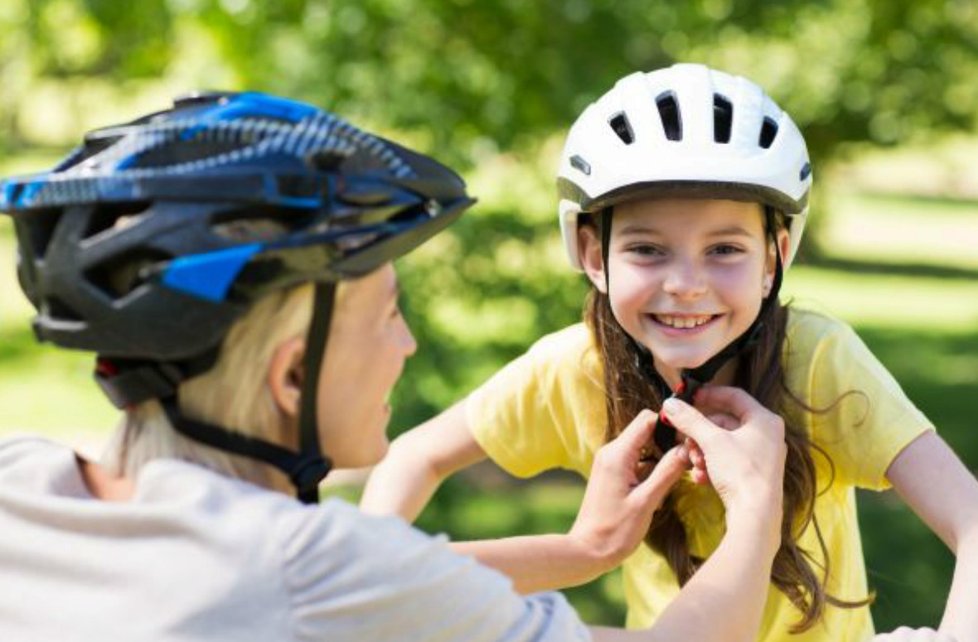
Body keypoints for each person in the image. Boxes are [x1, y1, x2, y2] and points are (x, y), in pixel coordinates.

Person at [0, 90, 795, 641]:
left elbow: (377, 572)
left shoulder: (24, 483)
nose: (407, 344)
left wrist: (581, 552)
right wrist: (756, 503)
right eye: (387, 313)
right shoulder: (313, 573)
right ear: (289, 377)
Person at [360, 64, 978, 642]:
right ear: (594, 256)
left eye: (724, 249)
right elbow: (415, 456)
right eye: (649, 249)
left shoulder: (816, 359)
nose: (686, 283)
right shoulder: (578, 369)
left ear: (775, 258)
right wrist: (364, 573)